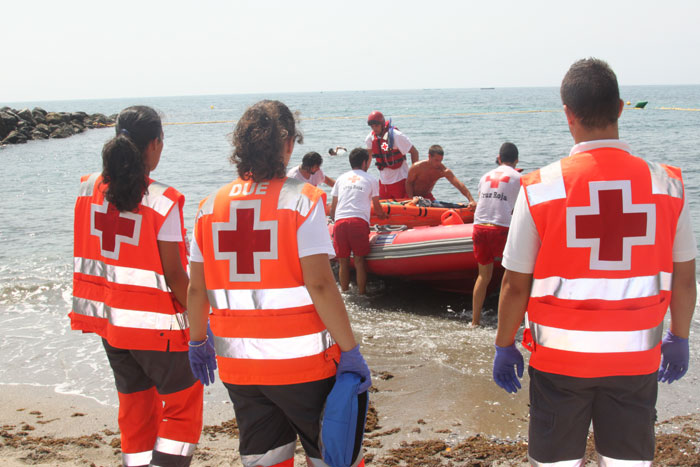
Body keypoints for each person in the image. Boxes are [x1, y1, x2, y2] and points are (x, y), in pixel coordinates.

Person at [492, 58, 697, 466]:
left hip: (559, 365)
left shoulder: (540, 188)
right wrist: (680, 335)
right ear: (621, 108)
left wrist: (505, 343)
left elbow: (515, 285)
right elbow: (685, 277)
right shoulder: (668, 185)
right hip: (636, 361)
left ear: (568, 114)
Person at [186, 100, 371, 467]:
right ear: (288, 144)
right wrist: (350, 350)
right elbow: (320, 284)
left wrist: (196, 340)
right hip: (302, 368)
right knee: (332, 456)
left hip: (238, 367)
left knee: (264, 459)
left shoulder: (209, 207)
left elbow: (196, 288)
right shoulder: (302, 201)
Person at [70, 106, 203, 467]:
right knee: (181, 411)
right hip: (158, 331)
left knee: (135, 410)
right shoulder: (161, 201)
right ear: (155, 145)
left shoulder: (88, 188)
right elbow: (176, 276)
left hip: (112, 327)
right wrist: (203, 324)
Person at [470, 142, 521, 326]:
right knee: (513, 275)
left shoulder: (485, 176)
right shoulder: (518, 177)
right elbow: (522, 208)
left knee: (483, 276)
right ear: (516, 160)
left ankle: (475, 321)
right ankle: (507, 321)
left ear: (499, 159)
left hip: (479, 227)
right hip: (501, 229)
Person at [330, 148, 388, 295]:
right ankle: (362, 294)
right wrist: (383, 216)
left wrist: (333, 220)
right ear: (364, 162)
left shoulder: (341, 178)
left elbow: (333, 206)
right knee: (359, 261)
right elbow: (377, 205)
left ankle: (344, 293)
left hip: (340, 221)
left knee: (343, 261)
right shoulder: (371, 179)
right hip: (357, 222)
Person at [364, 110, 419, 199]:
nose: (374, 129)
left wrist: (414, 176)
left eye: (376, 126)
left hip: (400, 179)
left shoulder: (396, 136)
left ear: (382, 124)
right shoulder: (370, 138)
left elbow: (414, 152)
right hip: (383, 182)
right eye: (372, 126)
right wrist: (363, 174)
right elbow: (368, 157)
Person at [405, 144, 477, 206]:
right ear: (429, 156)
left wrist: (471, 200)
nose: (439, 163)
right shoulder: (417, 167)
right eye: (436, 160)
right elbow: (409, 183)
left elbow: (458, 184)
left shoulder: (443, 171)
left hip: (427, 197)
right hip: (410, 196)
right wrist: (411, 199)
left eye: (440, 160)